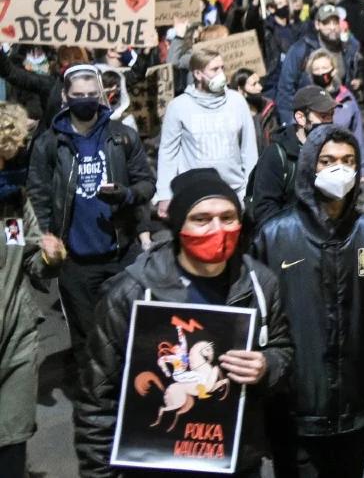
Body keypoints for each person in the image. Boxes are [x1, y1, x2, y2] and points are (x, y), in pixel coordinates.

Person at [75, 168, 293, 478]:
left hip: (235, 462)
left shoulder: (261, 284)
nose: (217, 228)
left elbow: (282, 348)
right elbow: (97, 401)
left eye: (228, 217)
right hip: (154, 464)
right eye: (201, 219)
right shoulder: (131, 293)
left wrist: (267, 365)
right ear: (179, 225)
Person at [255, 125, 364, 477]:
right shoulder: (275, 236)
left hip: (356, 409)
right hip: (294, 412)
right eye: (327, 161)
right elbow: (258, 328)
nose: (338, 168)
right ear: (310, 166)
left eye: (347, 160)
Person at [27, 65, 155, 371]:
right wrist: (44, 238)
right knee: (86, 339)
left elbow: (146, 184)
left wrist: (125, 194)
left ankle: (128, 399)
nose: (85, 100)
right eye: (78, 95)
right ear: (65, 96)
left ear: (101, 96)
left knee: (129, 329)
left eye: (91, 95)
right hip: (76, 260)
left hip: (120, 253)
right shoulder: (50, 143)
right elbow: (39, 195)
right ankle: (92, 401)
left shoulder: (122, 137)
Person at [0, 102, 64, 474]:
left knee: (11, 439)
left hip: (16, 340)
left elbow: (30, 258)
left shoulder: (14, 198)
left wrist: (50, 257)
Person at [155, 49, 260, 217]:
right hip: (194, 195)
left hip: (234, 192)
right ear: (198, 74)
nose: (221, 74)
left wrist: (252, 188)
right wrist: (164, 195)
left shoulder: (237, 102)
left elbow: (249, 149)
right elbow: (168, 153)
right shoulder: (179, 106)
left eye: (222, 68)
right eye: (214, 69)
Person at [249, 85, 336, 226]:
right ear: (301, 118)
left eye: (331, 115)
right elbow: (265, 210)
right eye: (323, 116)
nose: (329, 122)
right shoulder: (277, 155)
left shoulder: (334, 149)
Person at [276, 3, 361, 123]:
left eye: (335, 22)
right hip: (310, 120)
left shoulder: (347, 50)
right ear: (317, 25)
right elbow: (285, 89)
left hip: (338, 118)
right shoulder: (301, 49)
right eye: (326, 23)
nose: (332, 27)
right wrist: (290, 122)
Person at [306, 48, 364, 173]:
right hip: (316, 168)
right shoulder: (306, 99)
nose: (321, 73)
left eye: (324, 68)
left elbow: (357, 134)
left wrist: (362, 168)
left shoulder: (347, 98)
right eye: (316, 70)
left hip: (344, 166)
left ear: (333, 70)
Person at [231, 67, 279, 152]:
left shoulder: (268, 110)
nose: (260, 87)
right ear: (240, 90)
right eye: (254, 84)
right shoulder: (233, 117)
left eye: (259, 83)